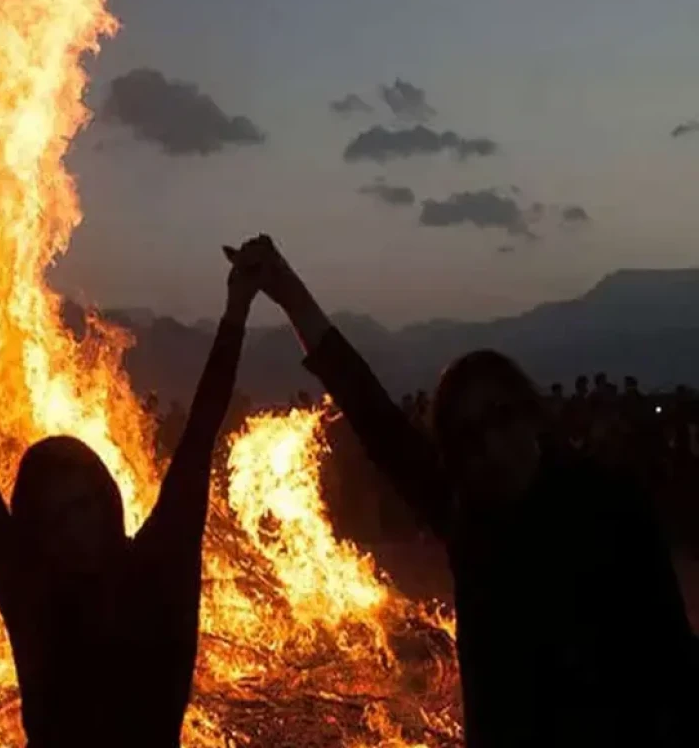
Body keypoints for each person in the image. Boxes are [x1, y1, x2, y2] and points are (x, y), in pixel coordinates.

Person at [232, 235, 696, 746]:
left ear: (529, 413)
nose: (492, 445)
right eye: (470, 435)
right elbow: (371, 411)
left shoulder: (609, 508)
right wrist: (289, 291)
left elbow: (673, 662)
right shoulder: (470, 518)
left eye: (499, 418)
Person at [0, 243, 260, 747]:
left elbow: (198, 436)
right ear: (36, 530)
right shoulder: (33, 594)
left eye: (82, 507)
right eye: (55, 519)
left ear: (107, 500)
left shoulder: (158, 566)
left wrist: (237, 309)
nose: (75, 530)